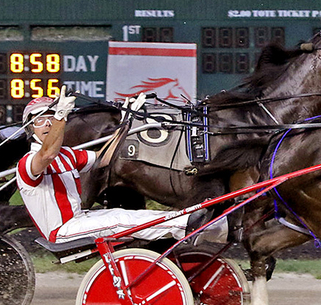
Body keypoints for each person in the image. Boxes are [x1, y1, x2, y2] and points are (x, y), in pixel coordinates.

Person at [15, 87, 205, 243]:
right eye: (40, 120)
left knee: (126, 214)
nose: (48, 124)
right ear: (30, 128)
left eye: (51, 117)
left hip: (79, 219)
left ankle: (187, 221)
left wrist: (126, 122)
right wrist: (60, 116)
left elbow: (104, 158)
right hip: (62, 230)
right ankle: (186, 225)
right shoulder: (28, 162)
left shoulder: (67, 154)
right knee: (119, 220)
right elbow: (47, 154)